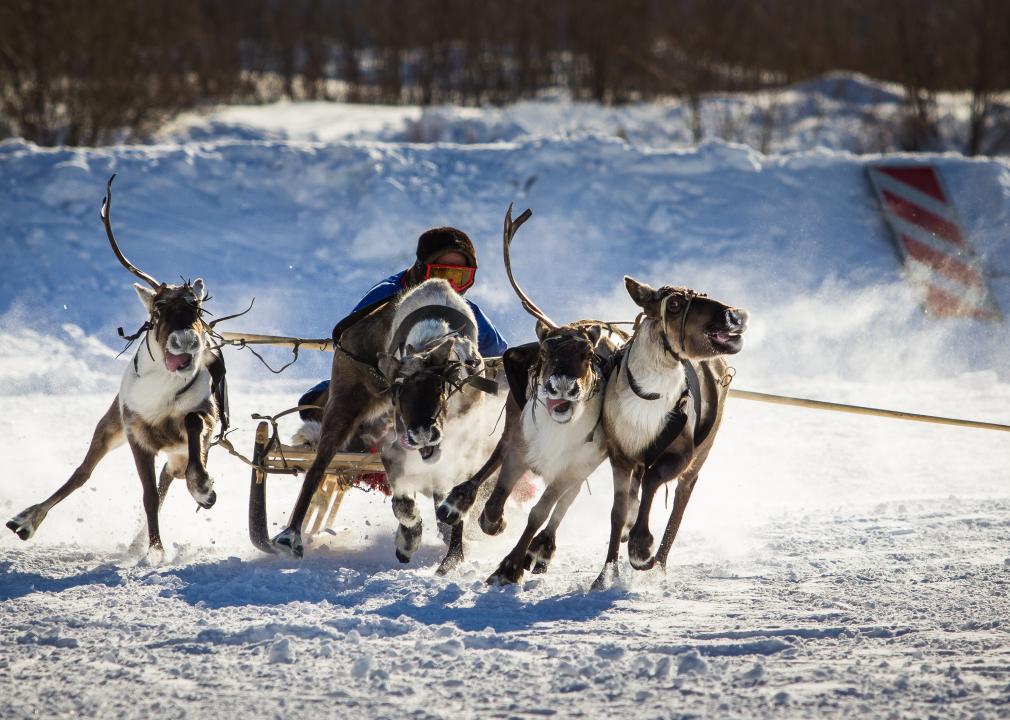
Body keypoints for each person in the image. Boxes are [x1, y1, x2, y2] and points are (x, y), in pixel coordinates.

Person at [298, 226, 508, 419]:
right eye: (440, 274)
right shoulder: (389, 296)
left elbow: (499, 358)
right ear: (421, 269)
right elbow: (346, 343)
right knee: (324, 408)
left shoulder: (465, 311)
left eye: (459, 277)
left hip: (437, 403)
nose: (448, 286)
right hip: (379, 390)